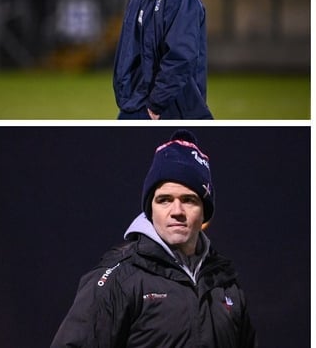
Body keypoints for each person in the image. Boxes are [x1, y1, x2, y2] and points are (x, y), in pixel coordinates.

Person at [52, 129, 256, 347]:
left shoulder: (225, 283)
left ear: (204, 211)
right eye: (164, 200)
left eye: (189, 200)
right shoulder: (118, 278)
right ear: (150, 209)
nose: (177, 211)